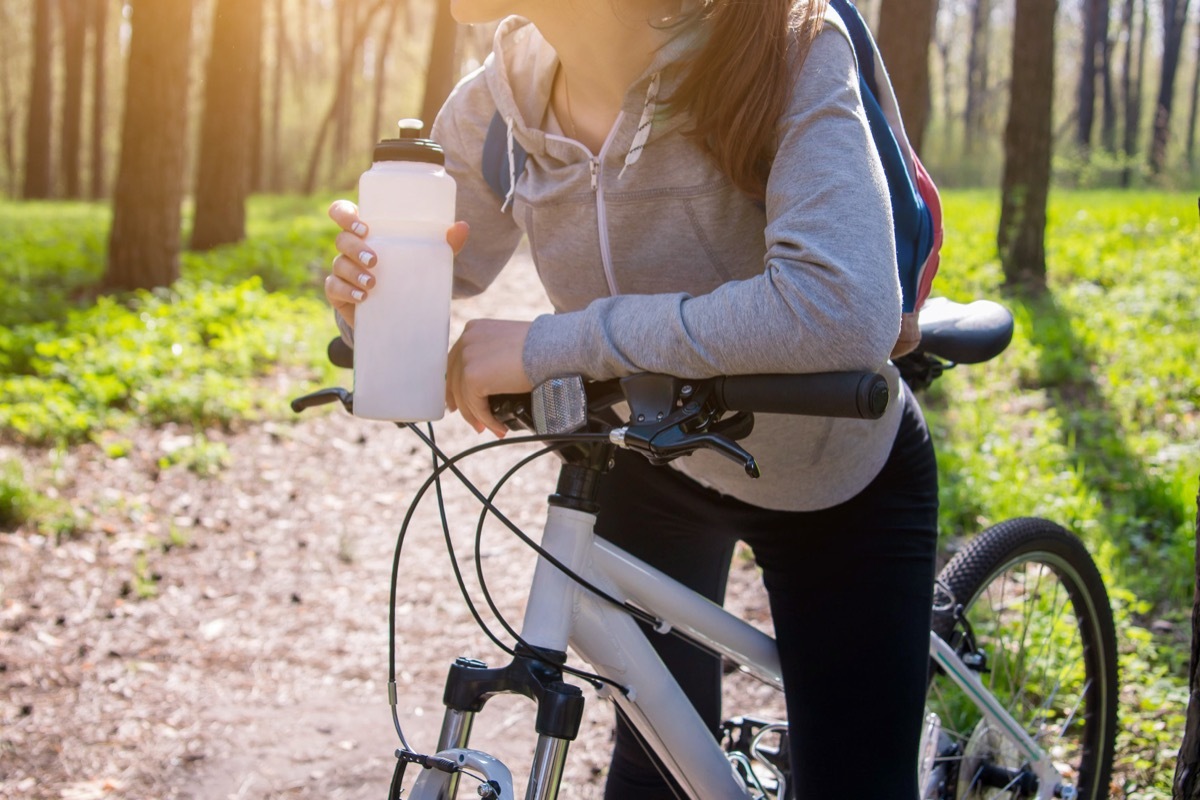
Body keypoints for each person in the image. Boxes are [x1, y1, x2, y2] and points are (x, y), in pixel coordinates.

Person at [325, 1, 939, 797]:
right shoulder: (499, 103)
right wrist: (362, 290)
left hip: (832, 476)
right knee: (654, 777)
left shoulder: (787, 51)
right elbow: (438, 269)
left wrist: (555, 346)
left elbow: (838, 309)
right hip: (653, 459)